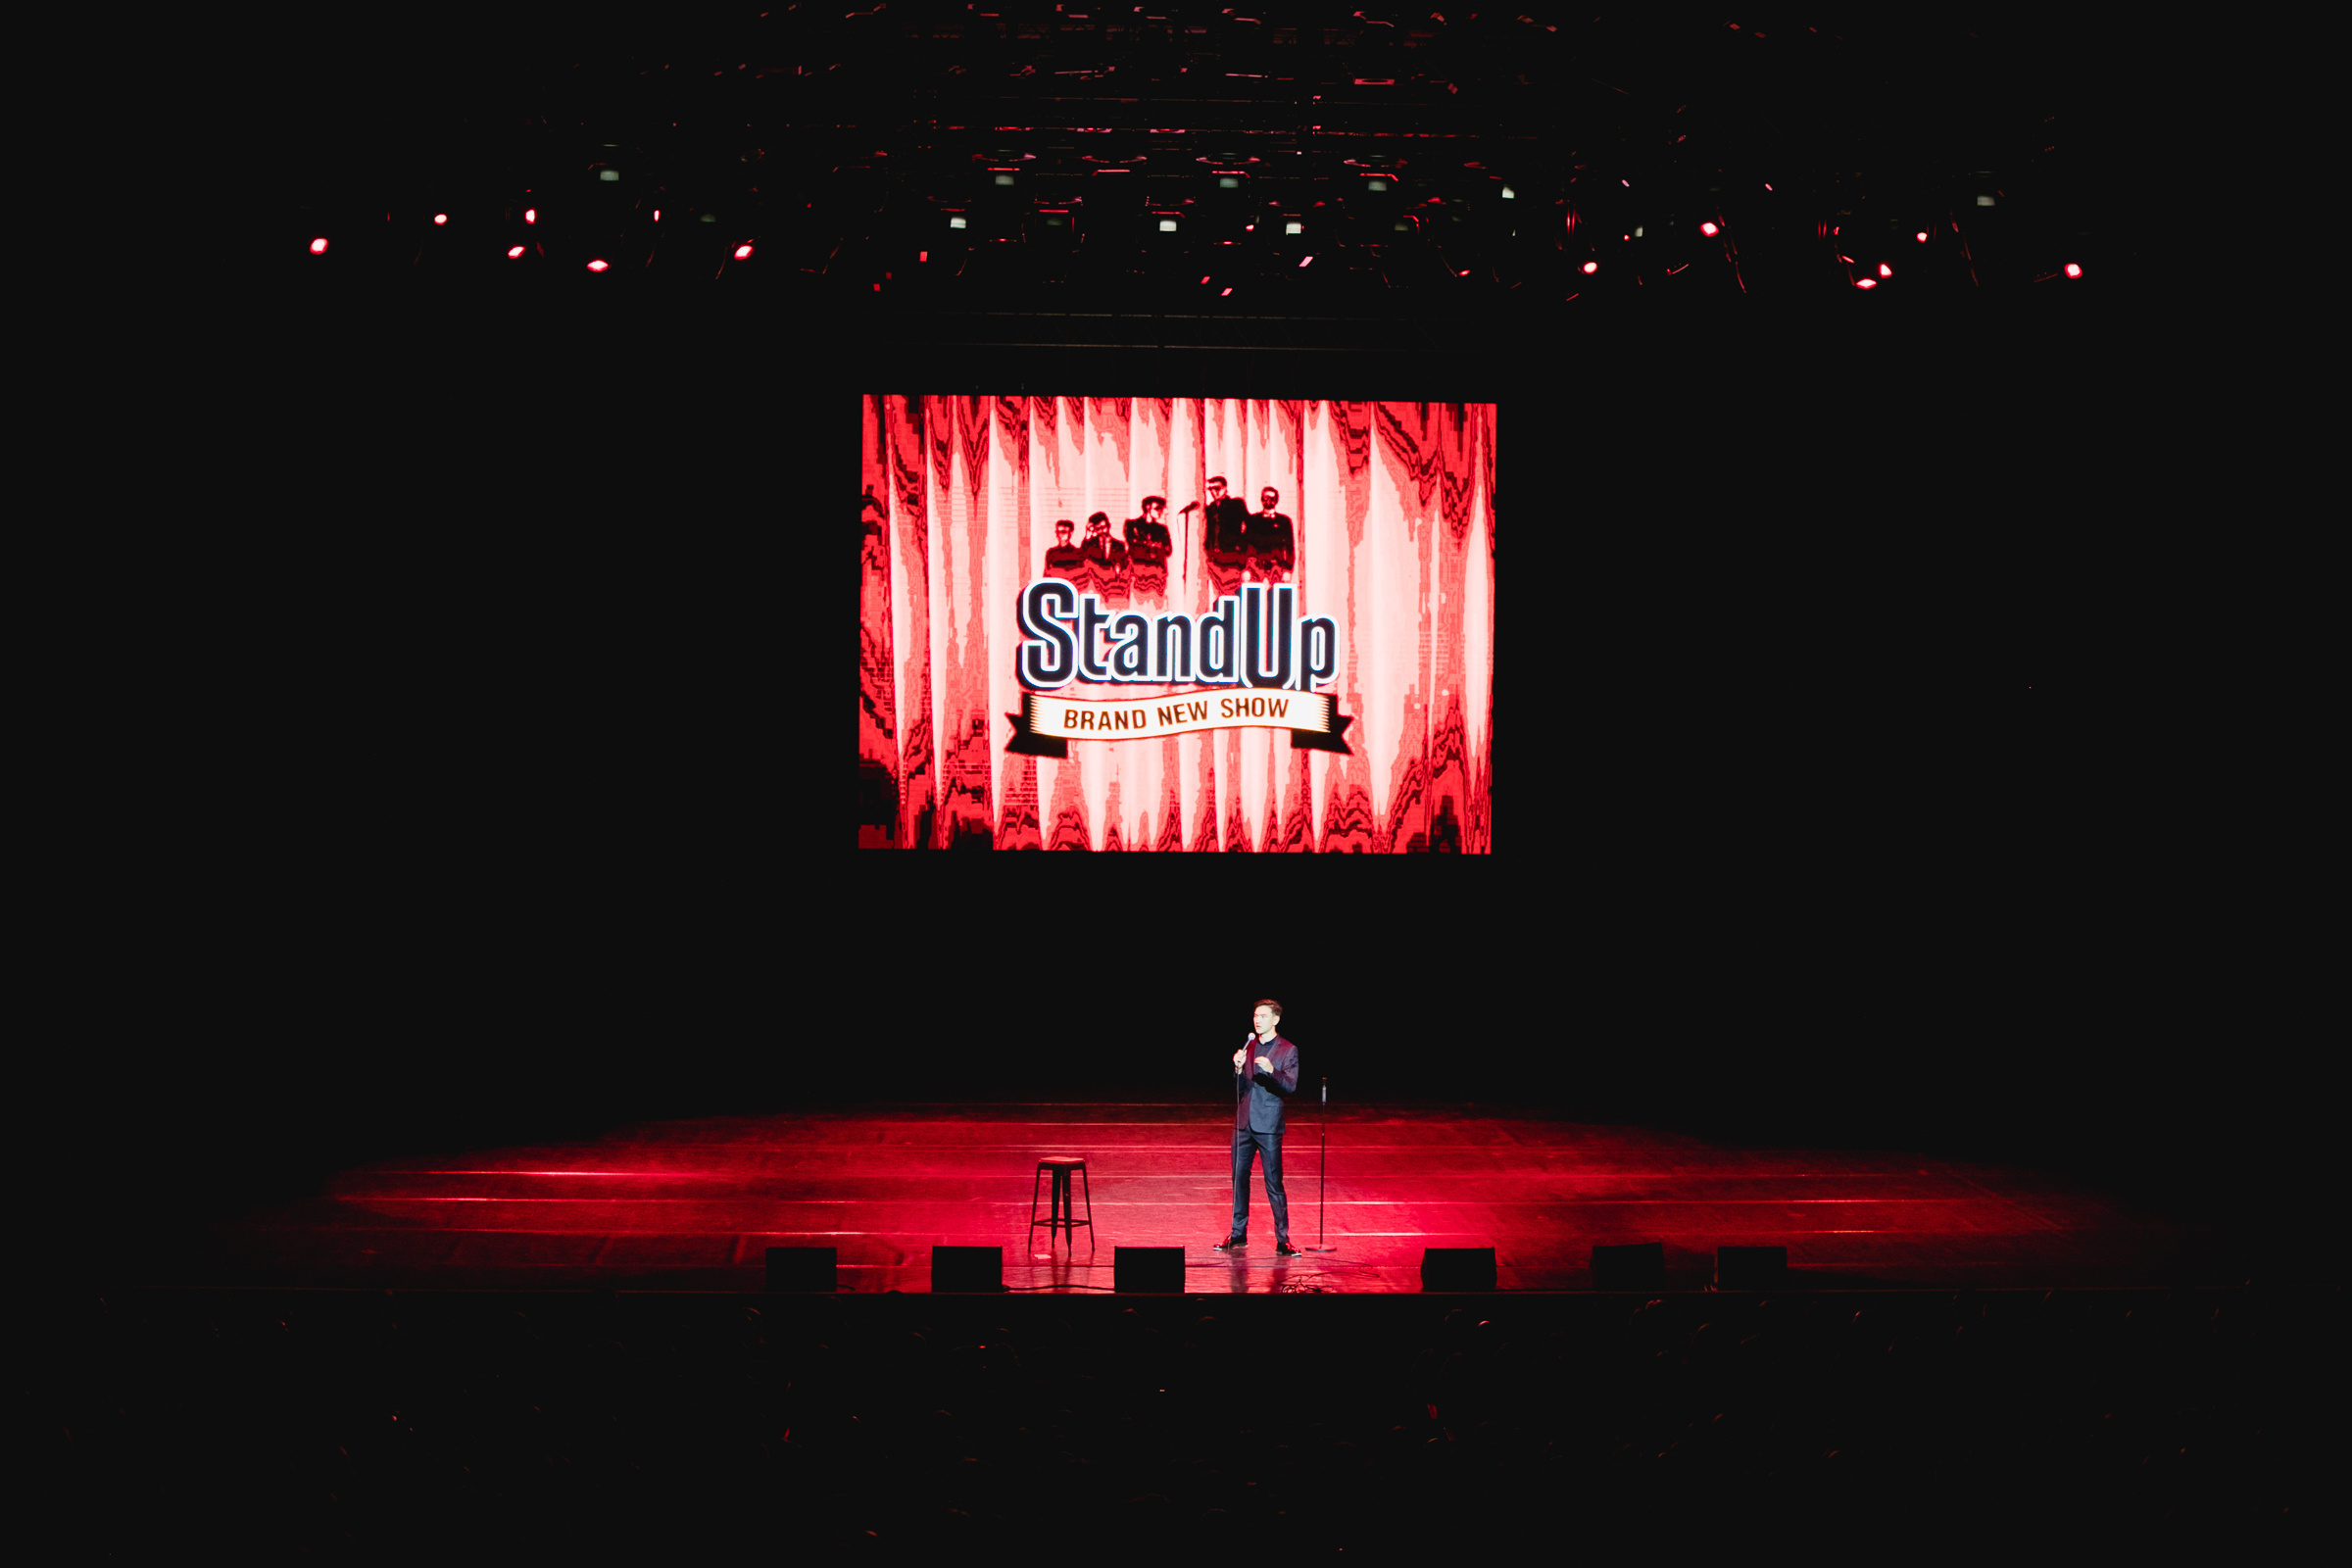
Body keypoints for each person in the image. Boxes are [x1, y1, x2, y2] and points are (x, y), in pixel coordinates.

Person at [1218, 999, 1300, 1254]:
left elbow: (1290, 1086)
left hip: (1268, 1124)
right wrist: (1238, 1068)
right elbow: (1241, 1086)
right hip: (1243, 1123)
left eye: (1263, 1016)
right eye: (1255, 1015)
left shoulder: (1288, 1049)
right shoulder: (1250, 1046)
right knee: (1238, 1179)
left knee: (1273, 1182)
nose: (1257, 1019)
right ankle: (1237, 1234)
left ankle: (1282, 1238)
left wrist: (1272, 1071)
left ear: (1275, 1019)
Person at [1186, 476, 1253, 598]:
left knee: (1233, 591)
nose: (1213, 492)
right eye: (1210, 489)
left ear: (1225, 488)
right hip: (1215, 557)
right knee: (1219, 593)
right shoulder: (1209, 508)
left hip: (1232, 556)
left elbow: (1250, 524)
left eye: (1217, 488)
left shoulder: (1236, 504)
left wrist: (1241, 545)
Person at [1124, 496, 1174, 602]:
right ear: (1147, 507)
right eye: (1157, 508)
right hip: (1138, 574)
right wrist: (1154, 545)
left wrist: (1148, 545)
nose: (1160, 511)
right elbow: (1134, 545)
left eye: (1162, 508)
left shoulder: (1162, 529)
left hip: (1157, 575)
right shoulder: (1132, 525)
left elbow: (1168, 550)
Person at [1080, 511, 1129, 605]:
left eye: (1103, 527)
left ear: (1109, 526)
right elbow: (1081, 559)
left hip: (1114, 589)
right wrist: (1087, 535)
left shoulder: (1119, 545)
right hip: (1095, 589)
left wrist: (1118, 566)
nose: (1102, 531)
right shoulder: (1089, 545)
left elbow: (1124, 565)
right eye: (1098, 529)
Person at [1250, 485, 1295, 583]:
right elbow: (1248, 546)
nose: (1269, 501)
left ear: (1276, 500)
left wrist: (1288, 570)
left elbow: (1289, 548)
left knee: (1276, 596)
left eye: (1272, 498)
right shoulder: (1253, 520)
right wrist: (1247, 569)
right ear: (1261, 499)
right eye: (1266, 498)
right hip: (1257, 567)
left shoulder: (1284, 521)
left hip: (1277, 568)